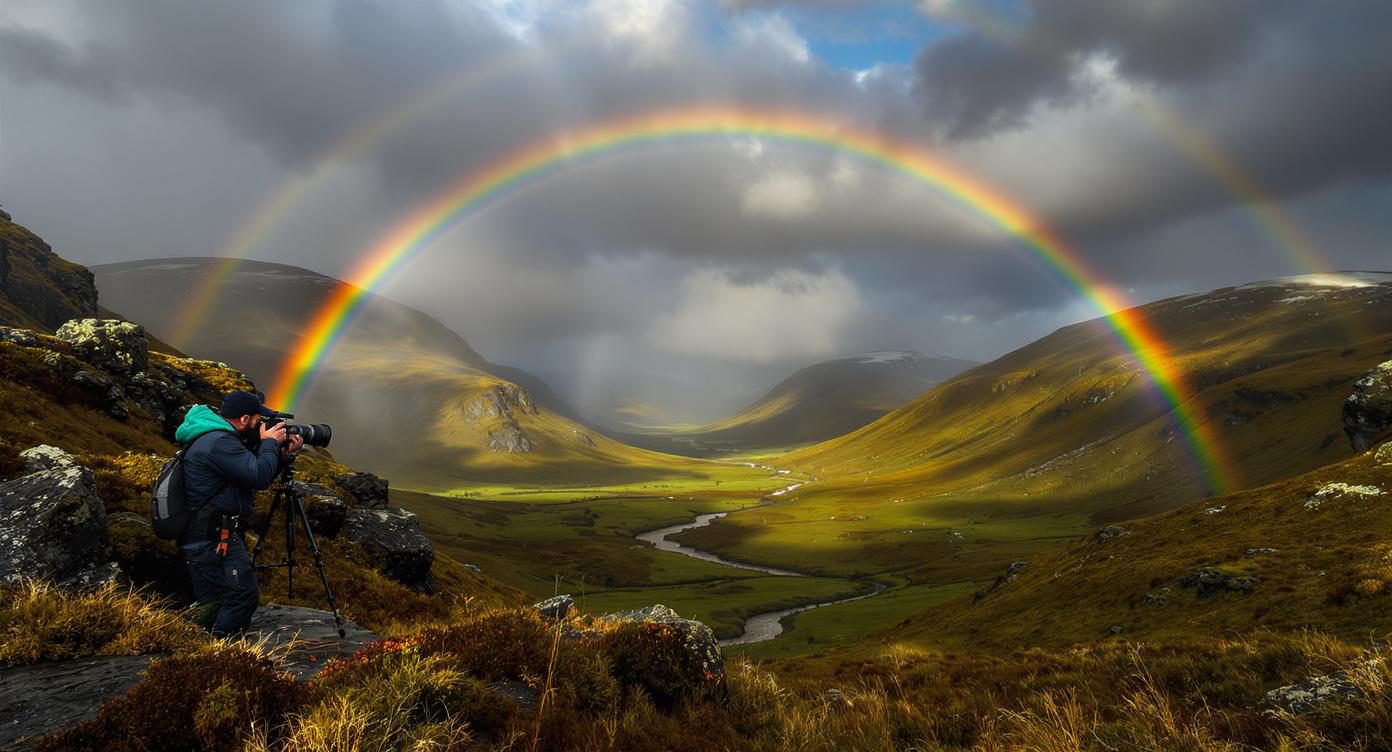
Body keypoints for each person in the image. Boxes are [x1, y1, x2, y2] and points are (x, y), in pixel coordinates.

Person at [173, 389, 304, 637]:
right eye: (258, 419)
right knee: (241, 596)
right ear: (244, 419)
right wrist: (269, 443)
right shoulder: (219, 442)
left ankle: (199, 647)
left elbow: (251, 476)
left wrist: (282, 456)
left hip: (208, 535)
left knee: (213, 601)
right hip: (211, 537)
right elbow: (258, 476)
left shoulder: (216, 438)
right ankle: (217, 650)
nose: (261, 425)